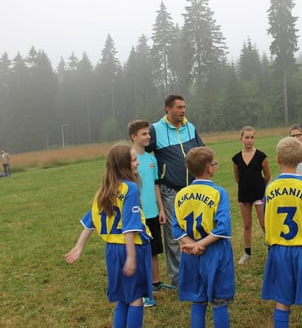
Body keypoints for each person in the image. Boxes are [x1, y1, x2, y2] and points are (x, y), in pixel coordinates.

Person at [65, 143, 152, 328]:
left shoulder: (104, 191)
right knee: (136, 298)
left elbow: (90, 222)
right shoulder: (130, 189)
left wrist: (79, 246)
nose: (137, 163)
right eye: (134, 159)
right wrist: (131, 257)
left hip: (112, 251)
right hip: (132, 247)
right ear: (123, 165)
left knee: (122, 298)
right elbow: (129, 227)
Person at [262, 137, 302, 328]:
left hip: (280, 250)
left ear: (278, 159)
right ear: (300, 160)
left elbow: (267, 220)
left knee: (282, 302)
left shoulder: (270, 188)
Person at [146, 94, 204, 288]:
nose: (183, 110)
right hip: (170, 190)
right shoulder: (155, 130)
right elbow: (143, 153)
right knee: (173, 236)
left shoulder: (190, 127)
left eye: (184, 107)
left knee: (196, 230)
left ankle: (197, 270)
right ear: (168, 109)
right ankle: (179, 278)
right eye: (179, 107)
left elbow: (201, 150)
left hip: (194, 189)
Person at [172, 147, 235, 328]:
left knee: (198, 301)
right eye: (214, 163)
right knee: (219, 301)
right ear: (209, 168)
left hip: (191, 254)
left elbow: (176, 228)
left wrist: (193, 245)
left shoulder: (180, 195)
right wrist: (200, 244)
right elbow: (222, 228)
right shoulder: (218, 193)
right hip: (215, 252)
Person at [128, 120, 167, 307]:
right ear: (133, 137)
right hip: (137, 214)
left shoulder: (152, 159)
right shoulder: (129, 159)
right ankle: (141, 292)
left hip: (153, 212)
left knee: (154, 249)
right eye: (144, 134)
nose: (148, 136)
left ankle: (156, 283)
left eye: (148, 133)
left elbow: (155, 184)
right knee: (139, 251)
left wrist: (161, 208)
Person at [232, 126, 271, 264]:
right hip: (244, 195)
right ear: (241, 138)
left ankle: (270, 249)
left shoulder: (261, 156)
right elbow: (237, 178)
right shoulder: (236, 158)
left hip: (259, 194)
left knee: (263, 223)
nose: (249, 140)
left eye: (252, 137)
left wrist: (259, 186)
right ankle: (247, 252)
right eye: (246, 137)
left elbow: (267, 176)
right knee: (247, 225)